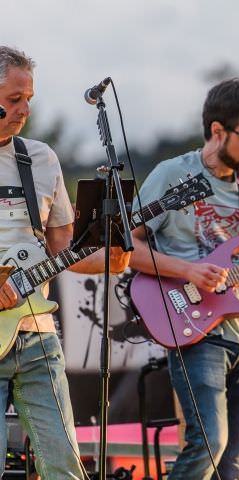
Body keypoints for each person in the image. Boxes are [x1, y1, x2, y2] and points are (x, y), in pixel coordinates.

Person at [130, 78, 239, 479]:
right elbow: (126, 249)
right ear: (217, 131)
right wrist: (189, 270)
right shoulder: (173, 174)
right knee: (209, 443)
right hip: (195, 330)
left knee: (235, 464)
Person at [0, 46, 130, 478]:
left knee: (65, 467)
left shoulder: (40, 158)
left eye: (29, 99)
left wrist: (113, 259)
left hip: (38, 334)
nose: (24, 109)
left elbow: (62, 252)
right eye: (14, 99)